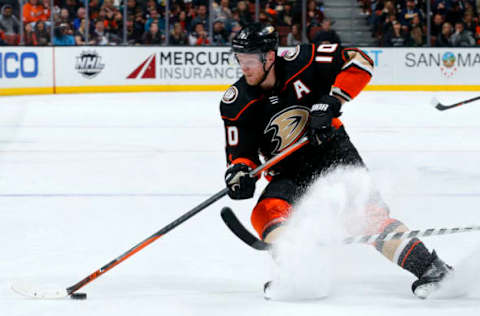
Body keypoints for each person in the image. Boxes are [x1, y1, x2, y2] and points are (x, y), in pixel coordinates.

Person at [220, 22, 453, 300]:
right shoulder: (235, 102)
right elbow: (241, 154)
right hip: (288, 170)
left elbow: (360, 61)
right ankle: (300, 273)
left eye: (249, 60)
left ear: (269, 57)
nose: (243, 67)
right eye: (239, 60)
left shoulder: (303, 60)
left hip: (332, 154)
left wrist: (333, 99)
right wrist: (240, 175)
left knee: (367, 218)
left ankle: (432, 268)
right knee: (266, 211)